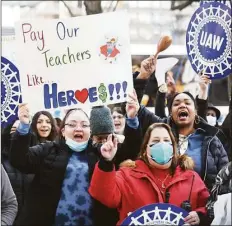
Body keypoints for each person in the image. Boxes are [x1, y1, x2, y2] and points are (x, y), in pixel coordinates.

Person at [10, 103, 142, 226]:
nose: (78, 128)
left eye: (84, 125)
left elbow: (130, 151)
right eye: (72, 125)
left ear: (90, 131)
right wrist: (23, 128)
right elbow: (20, 160)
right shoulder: (47, 150)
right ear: (63, 130)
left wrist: (132, 119)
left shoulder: (103, 151)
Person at [89, 123, 210, 225]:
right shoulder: (127, 175)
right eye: (156, 141)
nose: (162, 145)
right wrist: (106, 161)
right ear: (145, 149)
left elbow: (208, 207)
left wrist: (200, 215)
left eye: (167, 141)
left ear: (174, 148)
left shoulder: (191, 178)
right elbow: (104, 195)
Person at [127, 89, 229, 190]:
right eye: (176, 104)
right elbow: (142, 113)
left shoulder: (211, 140)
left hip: (203, 203)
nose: (182, 105)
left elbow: (225, 177)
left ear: (196, 111)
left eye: (187, 103)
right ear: (171, 113)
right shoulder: (162, 136)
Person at [2, 111, 58, 223]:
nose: (18, 134)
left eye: (22, 129)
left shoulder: (38, 156)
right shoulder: (3, 160)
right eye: (15, 130)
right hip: (10, 217)